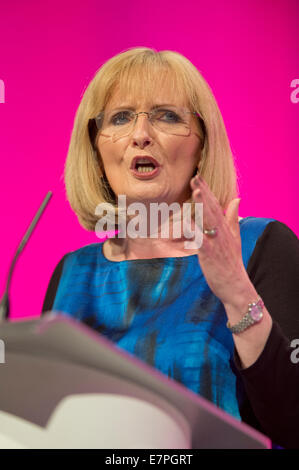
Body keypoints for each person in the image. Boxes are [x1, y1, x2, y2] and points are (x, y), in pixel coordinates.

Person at [42, 47, 299, 449]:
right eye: (121, 117)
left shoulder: (261, 247)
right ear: (95, 147)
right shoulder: (72, 275)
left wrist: (237, 293)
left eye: (167, 116)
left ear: (201, 146)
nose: (141, 134)